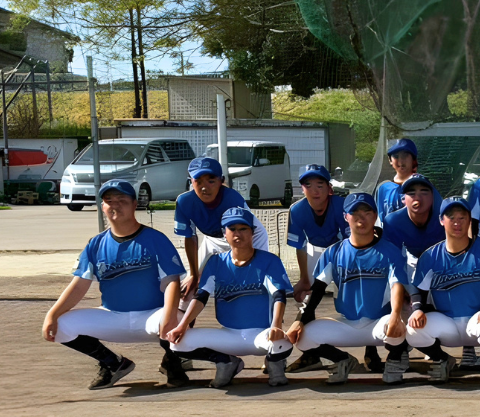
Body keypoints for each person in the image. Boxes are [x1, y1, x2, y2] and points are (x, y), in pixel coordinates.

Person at [43, 179, 187, 389]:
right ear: (102, 206)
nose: (115, 205)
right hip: (112, 316)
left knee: (179, 317)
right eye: (109, 200)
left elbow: (172, 281)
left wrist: (170, 315)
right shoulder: (95, 244)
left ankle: (172, 363)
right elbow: (79, 285)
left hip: (151, 317)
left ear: (134, 204)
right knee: (60, 325)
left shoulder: (155, 238)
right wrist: (52, 314)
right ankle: (113, 364)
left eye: (122, 200)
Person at [287, 193, 413, 385]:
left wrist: (396, 315)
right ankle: (343, 360)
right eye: (355, 212)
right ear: (345, 216)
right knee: (302, 337)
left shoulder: (389, 251)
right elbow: (317, 291)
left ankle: (394, 362)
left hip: (379, 324)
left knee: (400, 325)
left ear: (375, 215)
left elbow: (397, 285)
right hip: (347, 324)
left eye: (367, 212)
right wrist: (300, 321)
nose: (361, 218)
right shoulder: (334, 252)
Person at [163, 208, 294, 388]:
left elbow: (279, 296)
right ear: (224, 233)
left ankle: (274, 366)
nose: (238, 233)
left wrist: (276, 326)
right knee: (177, 344)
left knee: (282, 342)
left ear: (252, 232)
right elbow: (201, 297)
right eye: (232, 229)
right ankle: (226, 362)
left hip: (261, 334)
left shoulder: (269, 260)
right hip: (228, 334)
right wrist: (182, 325)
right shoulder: (216, 262)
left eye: (243, 228)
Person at [402, 197, 480, 383]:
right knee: (413, 329)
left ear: (469, 221)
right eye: (451, 218)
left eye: (462, 217)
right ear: (441, 220)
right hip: (446, 324)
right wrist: (417, 309)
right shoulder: (430, 256)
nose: (457, 223)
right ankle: (443, 360)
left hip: (477, 321)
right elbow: (419, 291)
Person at [173, 157, 263, 293]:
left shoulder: (232, 200)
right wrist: (194, 274)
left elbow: (243, 235)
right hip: (212, 239)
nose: (204, 187)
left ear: (221, 181)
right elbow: (190, 237)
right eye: (198, 181)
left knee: (249, 284)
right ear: (191, 181)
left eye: (211, 181)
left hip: (250, 236)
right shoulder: (184, 202)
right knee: (189, 287)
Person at [286, 164, 347, 298]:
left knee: (346, 291)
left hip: (340, 250)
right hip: (314, 251)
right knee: (302, 296)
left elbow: (351, 242)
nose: (315, 191)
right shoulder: (296, 210)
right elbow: (300, 246)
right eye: (308, 185)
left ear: (329, 188)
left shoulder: (342, 205)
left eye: (320, 186)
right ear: (302, 189)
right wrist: (304, 278)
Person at [381, 174, 446, 267]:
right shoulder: (392, 222)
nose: (418, 198)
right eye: (411, 193)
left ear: (433, 197)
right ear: (403, 199)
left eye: (424, 192)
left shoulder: (445, 219)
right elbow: (390, 260)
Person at [375, 138, 428, 216]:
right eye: (396, 156)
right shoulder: (383, 188)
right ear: (390, 160)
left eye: (405, 156)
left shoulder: (424, 185)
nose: (400, 161)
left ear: (413, 159)